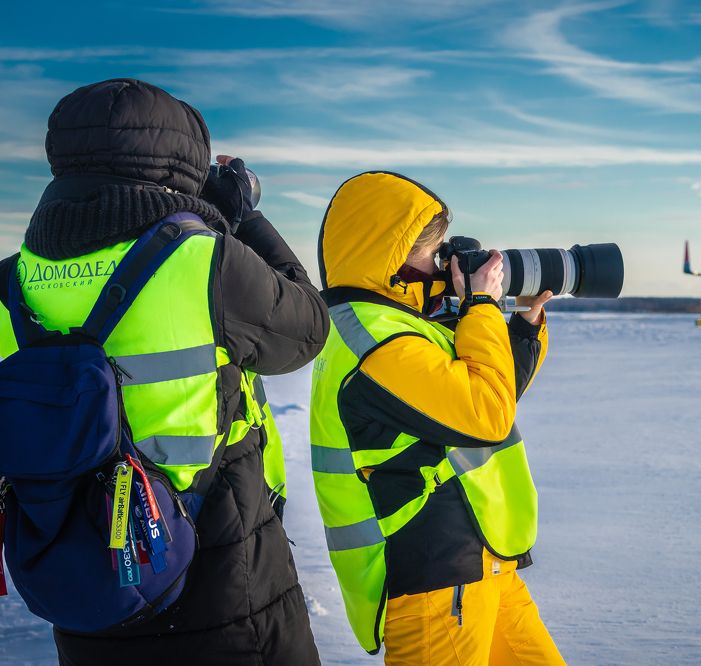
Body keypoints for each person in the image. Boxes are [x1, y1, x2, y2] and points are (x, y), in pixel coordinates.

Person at [0, 79, 328, 665]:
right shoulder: (203, 261)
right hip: (220, 582)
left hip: (85, 583)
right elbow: (306, 331)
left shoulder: (8, 284)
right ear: (184, 165)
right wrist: (244, 218)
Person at [310, 171, 565, 664]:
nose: (441, 266)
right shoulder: (376, 341)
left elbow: (488, 390)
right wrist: (480, 303)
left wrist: (523, 322)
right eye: (433, 255)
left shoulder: (396, 323)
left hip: (482, 559)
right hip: (436, 576)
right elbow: (485, 414)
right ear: (393, 259)